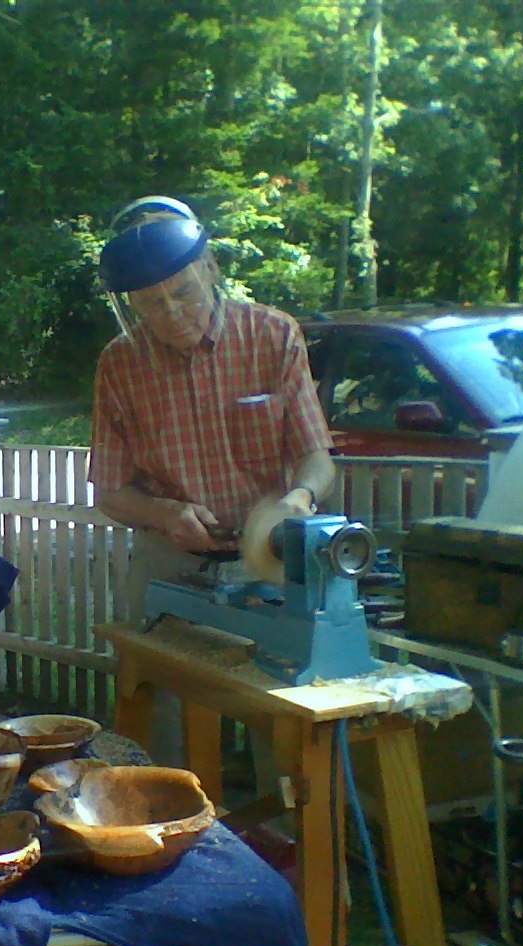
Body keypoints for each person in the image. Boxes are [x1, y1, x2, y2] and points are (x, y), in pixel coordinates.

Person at [89, 196, 336, 765]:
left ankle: (285, 830)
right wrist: (166, 515)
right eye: (151, 305)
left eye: (184, 294)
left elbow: (317, 458)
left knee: (283, 714)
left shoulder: (272, 335)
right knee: (158, 718)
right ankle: (160, 821)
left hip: (266, 557)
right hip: (168, 559)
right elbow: (110, 490)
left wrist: (297, 501)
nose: (172, 313)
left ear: (211, 270)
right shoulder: (119, 364)